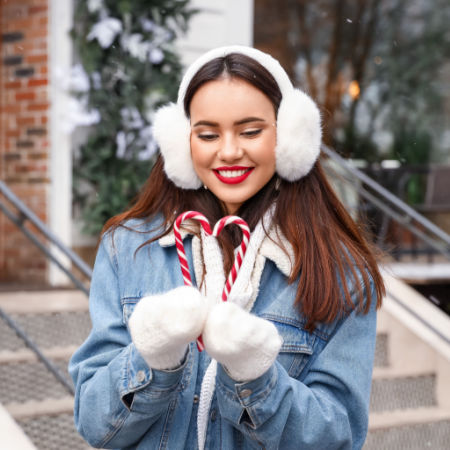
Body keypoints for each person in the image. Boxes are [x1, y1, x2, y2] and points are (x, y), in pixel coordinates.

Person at [69, 45, 385, 450]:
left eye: (250, 131)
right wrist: (152, 358)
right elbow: (95, 424)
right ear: (183, 145)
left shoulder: (343, 274)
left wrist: (257, 377)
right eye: (208, 134)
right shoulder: (127, 248)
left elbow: (338, 436)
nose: (229, 151)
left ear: (289, 136)